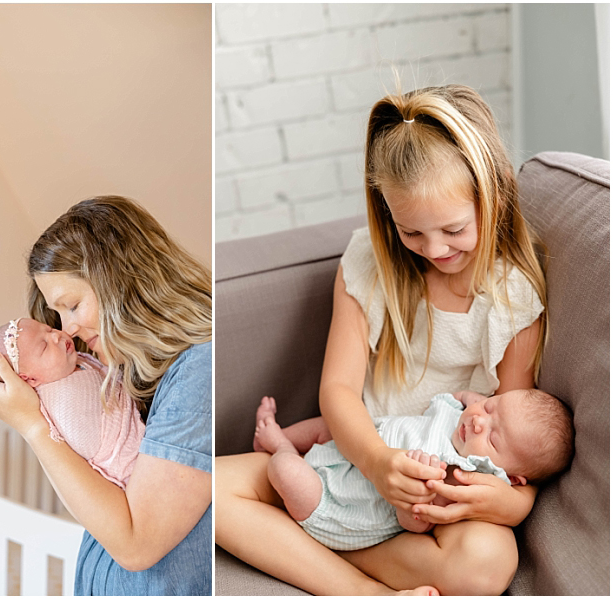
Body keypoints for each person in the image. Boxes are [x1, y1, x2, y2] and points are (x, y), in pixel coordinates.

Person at [215, 84, 549, 595]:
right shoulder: (367, 266)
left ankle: (317, 542)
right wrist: (375, 462)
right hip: (349, 462)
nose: (433, 249)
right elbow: (338, 392)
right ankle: (360, 589)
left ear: (493, 196)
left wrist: (511, 502)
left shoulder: (513, 300)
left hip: (432, 500)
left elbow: (512, 421)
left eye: (453, 230)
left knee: (485, 562)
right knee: (205, 485)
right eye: (411, 233)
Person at [0, 196, 212, 595]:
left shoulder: (199, 373)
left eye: (73, 305)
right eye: (58, 313)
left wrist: (33, 425)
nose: (68, 329)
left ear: (126, 280)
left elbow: (136, 545)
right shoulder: (123, 365)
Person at [253, 388, 573, 550]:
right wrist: (482, 402)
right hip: (352, 449)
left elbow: (414, 524)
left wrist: (414, 501)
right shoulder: (462, 417)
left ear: (510, 477)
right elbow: (462, 398)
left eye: (493, 436)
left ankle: (280, 447)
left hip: (338, 502)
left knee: (285, 469)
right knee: (332, 424)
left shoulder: (458, 476)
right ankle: (279, 436)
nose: (478, 421)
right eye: (491, 406)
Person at [0, 317, 144, 489]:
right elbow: (86, 445)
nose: (56, 337)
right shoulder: (59, 401)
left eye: (50, 330)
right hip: (127, 463)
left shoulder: (70, 362)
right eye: (44, 346)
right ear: (29, 379)